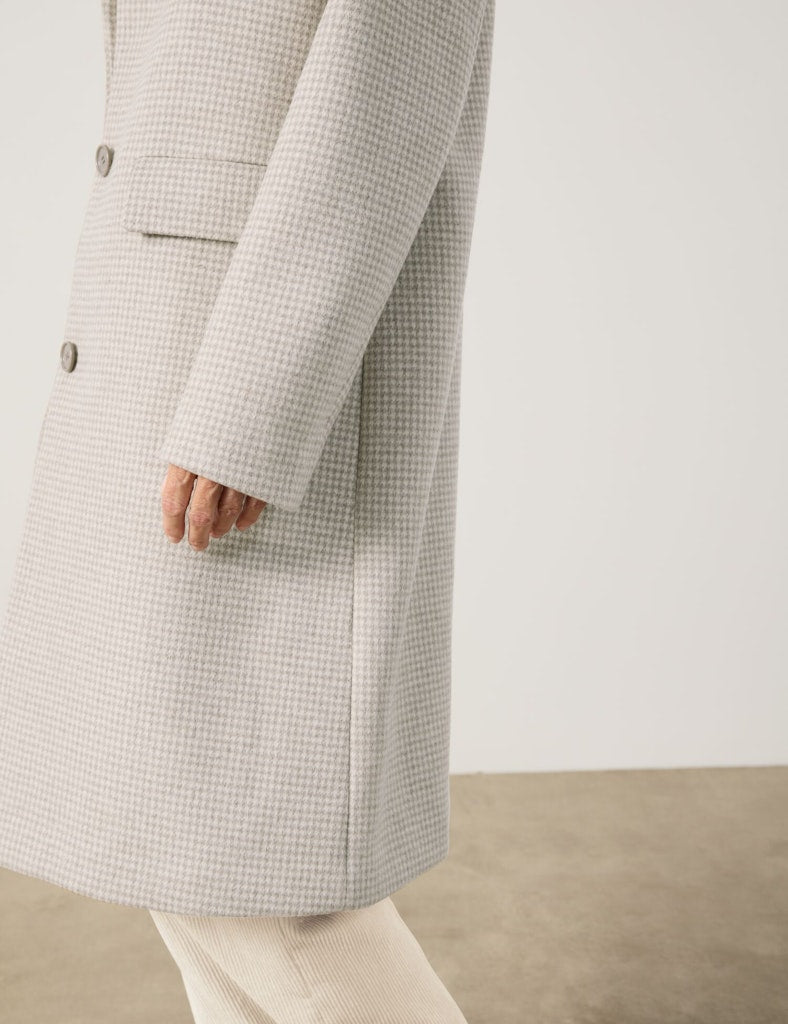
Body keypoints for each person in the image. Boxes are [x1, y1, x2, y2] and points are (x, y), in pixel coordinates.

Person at [0, 0, 494, 1020]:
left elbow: (381, 96)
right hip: (165, 344)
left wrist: (252, 404)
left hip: (243, 369)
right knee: (187, 848)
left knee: (263, 888)